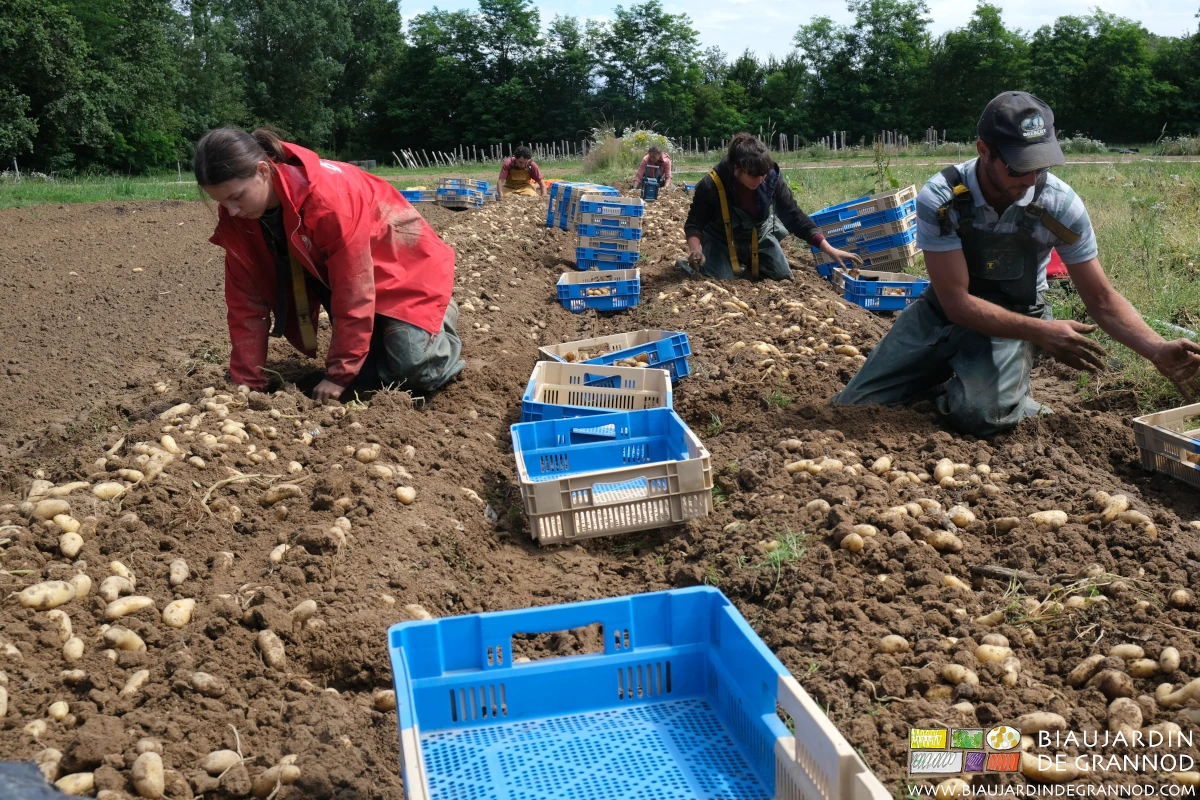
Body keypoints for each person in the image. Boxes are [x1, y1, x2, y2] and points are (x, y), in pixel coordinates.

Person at [833, 91, 1200, 435]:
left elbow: (1101, 298)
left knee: (981, 415)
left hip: (1017, 315)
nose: (1029, 180)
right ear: (984, 151)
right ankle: (965, 377)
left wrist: (1156, 349)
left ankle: (988, 391)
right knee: (850, 407)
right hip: (943, 310)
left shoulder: (1060, 206)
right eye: (1018, 167)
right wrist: (1044, 333)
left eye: (1039, 167)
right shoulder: (943, 198)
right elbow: (955, 303)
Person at [195, 127, 464, 402]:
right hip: (340, 275)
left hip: (403, 267)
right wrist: (248, 381)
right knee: (367, 380)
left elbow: (354, 287)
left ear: (263, 171)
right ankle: (389, 337)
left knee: (414, 372)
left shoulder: (326, 201)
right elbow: (245, 302)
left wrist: (338, 374)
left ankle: (439, 316)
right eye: (222, 202)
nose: (232, 211)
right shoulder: (238, 218)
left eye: (237, 197)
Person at [679, 133, 861, 281]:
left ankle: (748, 261)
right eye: (753, 176)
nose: (759, 181)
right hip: (721, 239)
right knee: (721, 279)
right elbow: (694, 222)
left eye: (763, 175)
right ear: (736, 169)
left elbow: (794, 216)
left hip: (759, 234)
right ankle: (691, 266)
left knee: (782, 277)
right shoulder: (711, 185)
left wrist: (830, 249)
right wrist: (696, 250)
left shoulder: (772, 179)